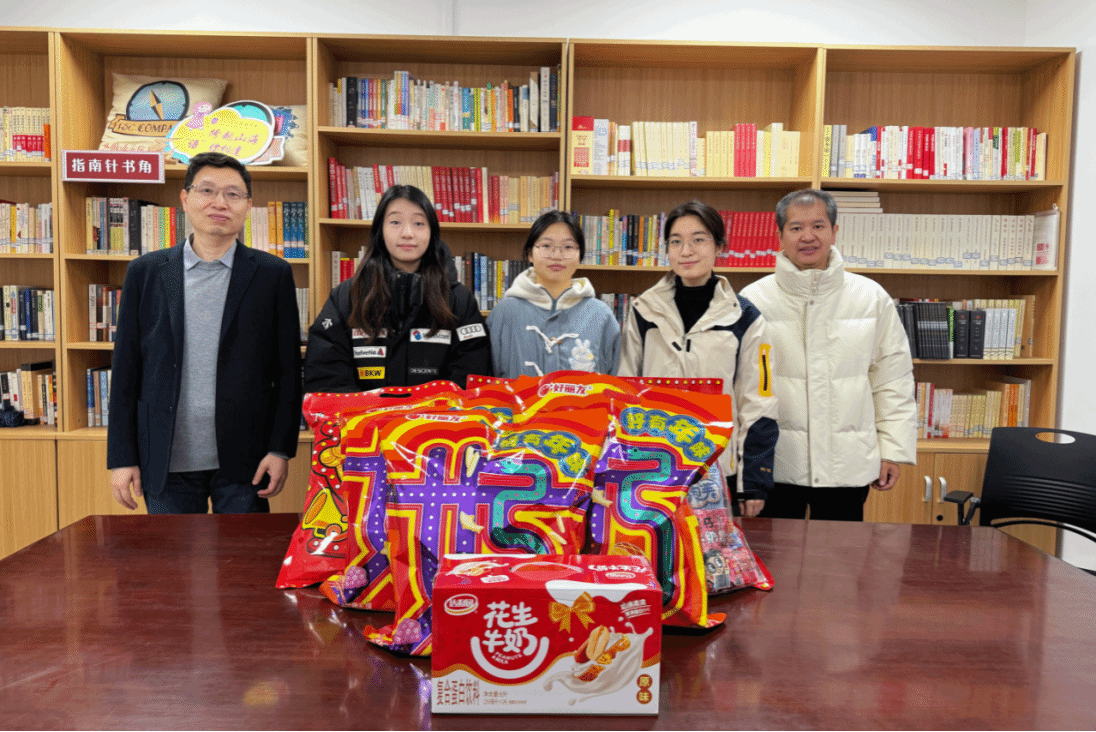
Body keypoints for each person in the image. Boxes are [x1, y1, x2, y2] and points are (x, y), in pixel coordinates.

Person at [107, 152, 302, 514]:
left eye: (233, 194)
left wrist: (280, 449)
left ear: (248, 205)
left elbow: (288, 371)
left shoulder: (272, 274)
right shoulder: (146, 272)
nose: (219, 203)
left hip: (246, 457)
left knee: (242, 552)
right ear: (185, 199)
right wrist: (122, 457)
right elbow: (126, 371)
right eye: (207, 190)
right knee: (172, 553)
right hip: (165, 456)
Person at [741, 189, 917, 522]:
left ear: (834, 231)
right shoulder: (753, 300)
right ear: (780, 236)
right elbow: (742, 389)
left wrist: (892, 450)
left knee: (841, 554)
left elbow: (892, 379)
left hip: (847, 466)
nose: (807, 237)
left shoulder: (870, 298)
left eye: (818, 226)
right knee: (776, 553)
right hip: (776, 465)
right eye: (796, 228)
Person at [618, 200, 779, 516]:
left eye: (698, 239)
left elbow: (759, 404)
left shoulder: (745, 318)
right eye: (675, 241)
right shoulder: (643, 311)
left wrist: (753, 482)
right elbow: (626, 391)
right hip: (653, 467)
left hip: (716, 467)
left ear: (719, 246)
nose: (686, 251)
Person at [304, 184, 490, 392]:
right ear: (380, 229)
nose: (407, 233)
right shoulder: (346, 297)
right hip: (361, 414)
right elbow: (326, 377)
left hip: (437, 414)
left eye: (419, 223)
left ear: (432, 232)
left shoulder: (459, 300)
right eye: (395, 222)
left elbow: (471, 379)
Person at [487, 210, 620, 378]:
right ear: (530, 254)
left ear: (580, 255)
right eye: (546, 246)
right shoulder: (503, 314)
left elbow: (616, 382)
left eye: (568, 247)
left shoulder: (601, 316)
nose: (557, 256)